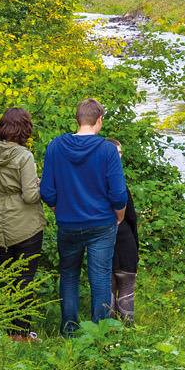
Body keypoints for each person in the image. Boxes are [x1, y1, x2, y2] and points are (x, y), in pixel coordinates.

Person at [40, 98, 128, 336]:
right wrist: (118, 216)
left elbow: (47, 191)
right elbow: (119, 194)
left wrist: (60, 208)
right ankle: (98, 333)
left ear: (77, 119)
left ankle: (69, 329)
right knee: (99, 276)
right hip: (101, 223)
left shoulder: (56, 146)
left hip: (68, 223)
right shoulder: (107, 149)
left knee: (69, 274)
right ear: (99, 120)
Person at [0, 107, 44, 341]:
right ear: (25, 128)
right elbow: (29, 196)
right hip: (24, 223)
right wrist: (39, 184)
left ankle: (9, 331)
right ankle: (23, 334)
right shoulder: (24, 156)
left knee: (7, 278)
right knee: (25, 279)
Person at [106, 137, 140, 324]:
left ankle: (109, 326)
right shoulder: (118, 184)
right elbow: (131, 217)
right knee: (125, 283)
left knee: (110, 283)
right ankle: (126, 324)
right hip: (121, 236)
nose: (119, 158)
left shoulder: (93, 181)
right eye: (118, 154)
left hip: (107, 238)